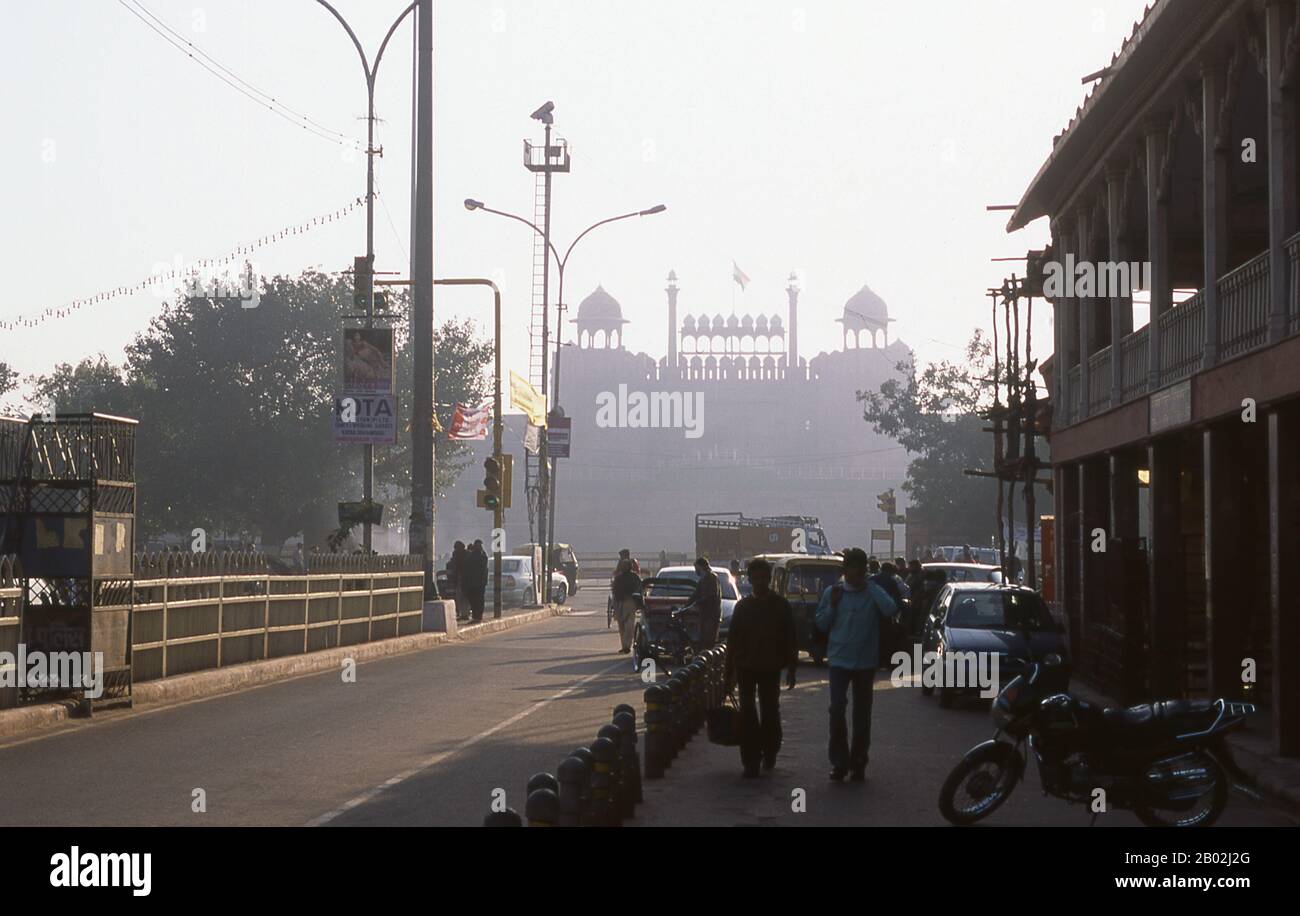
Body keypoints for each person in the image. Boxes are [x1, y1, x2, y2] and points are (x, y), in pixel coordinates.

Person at [815, 547, 898, 782]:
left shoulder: (872, 592)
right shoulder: (833, 592)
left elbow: (890, 608)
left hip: (865, 662)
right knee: (837, 710)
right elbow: (821, 624)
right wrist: (831, 605)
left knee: (862, 714)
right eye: (852, 569)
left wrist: (870, 585)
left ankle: (859, 761)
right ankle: (840, 762)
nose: (856, 574)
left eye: (861, 569)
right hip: (839, 660)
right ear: (846, 570)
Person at [723, 558, 797, 778]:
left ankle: (771, 749)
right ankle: (751, 759)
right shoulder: (743, 607)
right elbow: (733, 641)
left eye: (764, 578)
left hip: (771, 666)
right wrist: (729, 673)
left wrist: (792, 668)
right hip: (746, 666)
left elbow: (790, 638)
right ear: (750, 579)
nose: (760, 583)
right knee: (747, 713)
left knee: (770, 711)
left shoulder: (780, 605)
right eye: (756, 579)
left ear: (770, 579)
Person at [686, 556, 722, 649]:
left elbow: (712, 595)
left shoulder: (712, 577)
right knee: (703, 639)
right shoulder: (703, 578)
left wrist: (698, 602)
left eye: (696, 568)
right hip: (705, 613)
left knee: (709, 640)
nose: (695, 570)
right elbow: (696, 594)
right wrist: (686, 605)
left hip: (711, 614)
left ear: (701, 567)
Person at [610, 559, 643, 655]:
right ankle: (625, 645)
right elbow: (614, 590)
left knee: (626, 624)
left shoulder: (632, 577)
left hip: (628, 601)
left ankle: (626, 645)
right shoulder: (621, 577)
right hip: (622, 601)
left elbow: (639, 589)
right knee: (624, 624)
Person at [466, 540, 488, 622]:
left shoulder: (478, 556)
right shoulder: (480, 555)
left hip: (477, 583)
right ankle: (477, 616)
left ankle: (477, 616)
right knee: (477, 600)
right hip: (476, 583)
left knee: (477, 600)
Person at [448, 541, 467, 621]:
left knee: (461, 597)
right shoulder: (467, 554)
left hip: (462, 578)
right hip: (464, 578)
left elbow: (453, 566)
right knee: (464, 597)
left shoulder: (457, 555)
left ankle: (463, 613)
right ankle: (464, 613)